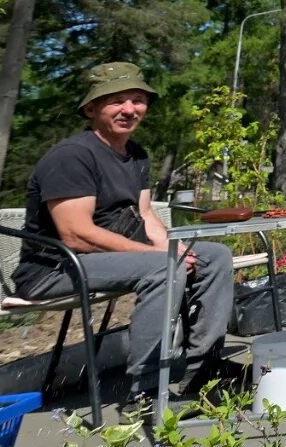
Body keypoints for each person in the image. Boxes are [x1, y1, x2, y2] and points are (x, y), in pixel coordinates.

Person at [12, 62, 236, 418]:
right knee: (164, 268)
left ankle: (202, 370)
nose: (129, 109)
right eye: (116, 101)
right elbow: (77, 234)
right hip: (54, 268)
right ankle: (145, 391)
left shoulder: (136, 155)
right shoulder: (72, 157)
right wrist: (162, 257)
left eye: (137, 99)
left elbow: (144, 215)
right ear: (91, 109)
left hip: (102, 258)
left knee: (215, 256)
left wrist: (171, 248)